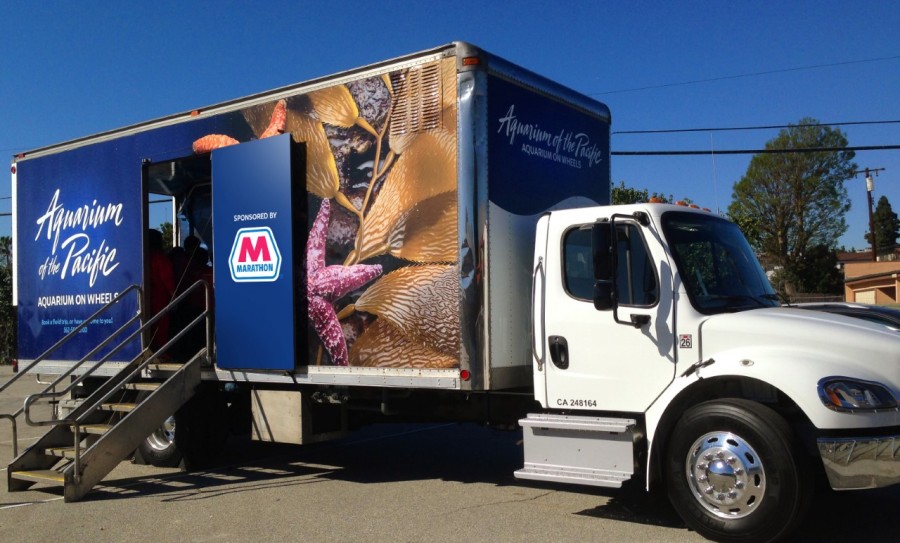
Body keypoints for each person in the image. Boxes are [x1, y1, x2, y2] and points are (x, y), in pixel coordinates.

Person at [147, 229, 175, 352]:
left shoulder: (143, 255)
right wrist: (173, 296)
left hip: (147, 295)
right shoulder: (159, 258)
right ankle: (161, 353)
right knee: (161, 326)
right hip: (159, 296)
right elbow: (167, 278)